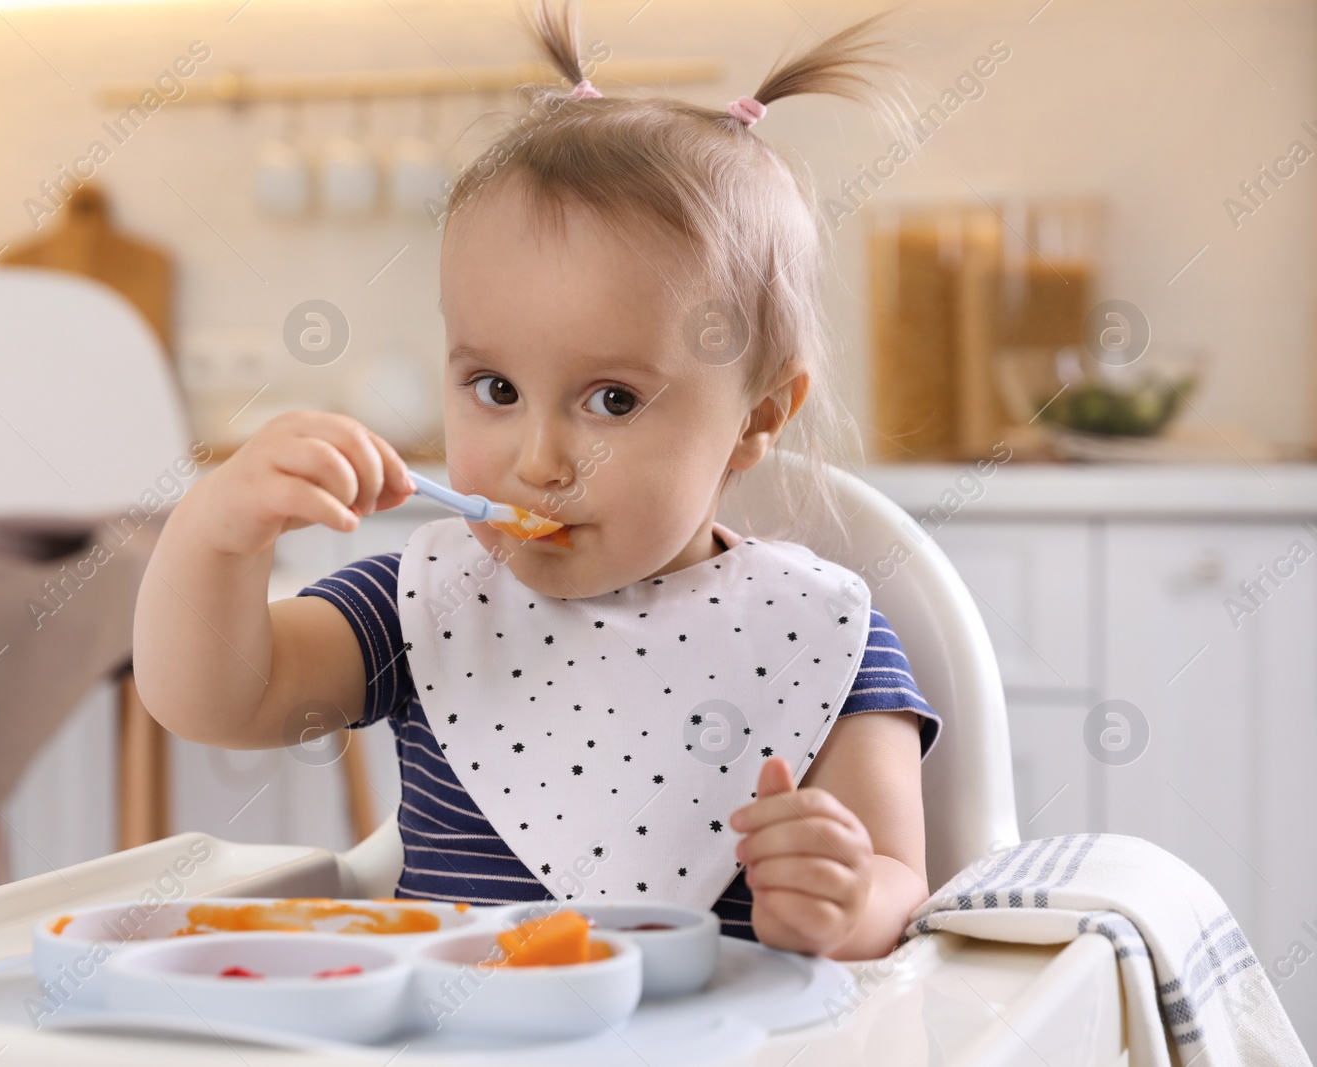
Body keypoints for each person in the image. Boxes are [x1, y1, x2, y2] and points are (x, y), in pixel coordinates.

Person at [134, 1, 940, 960]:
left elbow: (902, 879)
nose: (538, 459)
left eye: (610, 400)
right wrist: (218, 532)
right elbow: (217, 698)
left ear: (758, 416)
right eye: (497, 388)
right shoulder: (419, 602)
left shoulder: (820, 634)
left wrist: (847, 900)